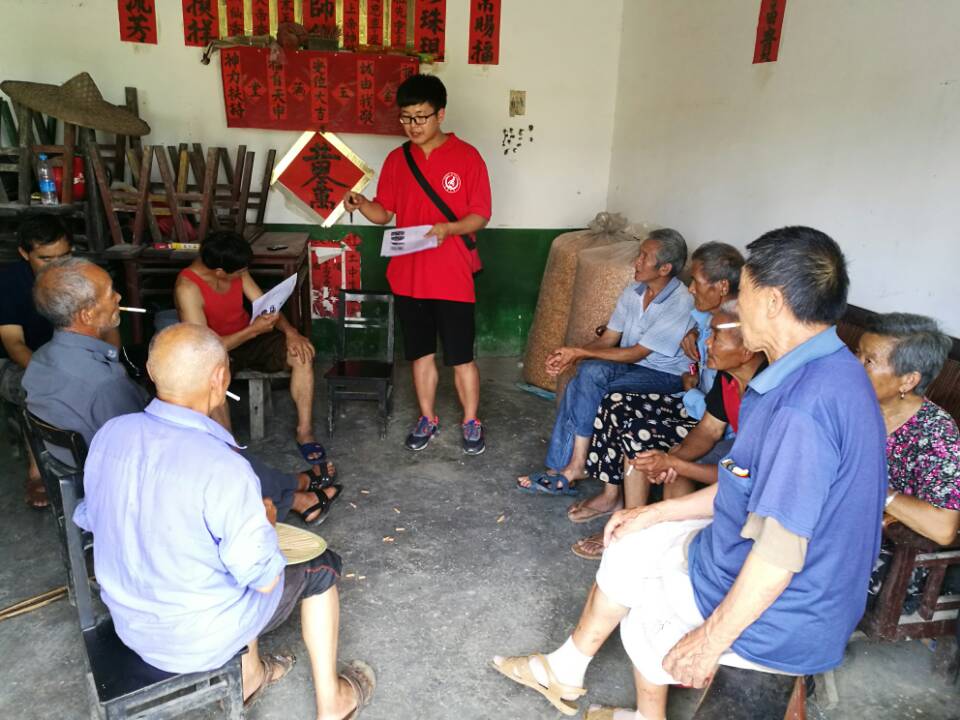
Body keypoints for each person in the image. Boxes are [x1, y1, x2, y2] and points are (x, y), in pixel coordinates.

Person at [493, 226, 886, 720]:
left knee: (646, 618)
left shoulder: (802, 408)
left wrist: (709, 639)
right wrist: (653, 514)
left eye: (744, 292)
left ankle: (622, 700)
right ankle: (565, 672)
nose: (735, 305)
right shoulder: (823, 370)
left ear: (773, 301)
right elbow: (745, 484)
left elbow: (779, 551)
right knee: (632, 544)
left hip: (785, 612)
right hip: (743, 555)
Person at [77, 323, 374, 718]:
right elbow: (262, 578)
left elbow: (92, 518)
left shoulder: (110, 435)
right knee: (321, 567)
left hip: (129, 623)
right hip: (199, 639)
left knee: (214, 552)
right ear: (219, 379)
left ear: (150, 372)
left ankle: (250, 677)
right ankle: (332, 702)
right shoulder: (224, 467)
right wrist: (264, 524)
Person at [25, 257, 341, 526]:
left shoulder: (40, 361)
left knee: (212, 438)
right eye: (110, 293)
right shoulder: (102, 384)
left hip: (79, 469)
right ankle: (296, 496)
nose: (119, 296)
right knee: (217, 452)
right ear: (86, 315)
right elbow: (145, 445)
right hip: (122, 484)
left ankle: (293, 488)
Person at [343, 73, 492, 455]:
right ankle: (427, 417)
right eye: (406, 118)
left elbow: (480, 215)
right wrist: (362, 204)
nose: (413, 125)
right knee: (420, 354)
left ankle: (471, 420)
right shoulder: (397, 160)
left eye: (421, 117)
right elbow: (384, 213)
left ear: (440, 114)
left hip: (453, 274)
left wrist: (449, 229)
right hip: (408, 276)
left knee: (461, 356)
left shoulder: (467, 157)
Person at [570, 300, 766, 560]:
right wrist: (672, 459)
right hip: (735, 452)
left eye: (716, 338)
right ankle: (657, 541)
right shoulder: (729, 376)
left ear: (747, 349)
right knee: (674, 466)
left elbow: (747, 475)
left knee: (676, 466)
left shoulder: (768, 396)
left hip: (756, 473)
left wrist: (675, 463)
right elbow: (708, 429)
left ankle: (671, 549)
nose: (707, 343)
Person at [567, 241, 744, 524]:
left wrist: (690, 392)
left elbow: (714, 420)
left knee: (637, 430)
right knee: (614, 403)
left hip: (699, 410)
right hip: (696, 403)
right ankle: (613, 498)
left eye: (696, 282)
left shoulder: (735, 334)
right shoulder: (704, 319)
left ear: (722, 286)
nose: (690, 289)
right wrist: (691, 335)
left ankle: (632, 518)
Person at [517, 230, 695, 495]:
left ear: (664, 268)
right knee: (582, 377)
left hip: (666, 376)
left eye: (644, 257)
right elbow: (609, 338)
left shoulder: (680, 302)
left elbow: (636, 353)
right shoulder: (634, 292)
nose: (636, 261)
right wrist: (571, 354)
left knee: (589, 374)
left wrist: (579, 353)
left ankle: (573, 466)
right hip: (634, 368)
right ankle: (561, 467)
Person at [175, 231, 326, 467]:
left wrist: (291, 333)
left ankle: (304, 431)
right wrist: (253, 331)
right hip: (216, 349)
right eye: (239, 272)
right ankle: (230, 448)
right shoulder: (187, 288)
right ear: (219, 272)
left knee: (302, 354)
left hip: (249, 337)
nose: (243, 274)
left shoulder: (235, 269)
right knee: (210, 380)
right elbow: (205, 347)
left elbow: (267, 307)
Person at [857, 313, 959, 611]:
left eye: (869, 361)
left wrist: (881, 494)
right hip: (843, 527)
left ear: (908, 380)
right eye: (857, 353)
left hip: (897, 556)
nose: (855, 365)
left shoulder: (936, 432)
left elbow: (943, 528)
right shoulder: (855, 405)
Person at [0, 216, 73, 507]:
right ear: (24, 253)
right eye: (45, 259)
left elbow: (104, 328)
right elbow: (14, 344)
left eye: (63, 256)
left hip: (66, 356)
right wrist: (47, 372)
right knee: (36, 388)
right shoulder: (9, 284)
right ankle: (36, 472)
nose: (56, 266)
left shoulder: (78, 276)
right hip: (17, 361)